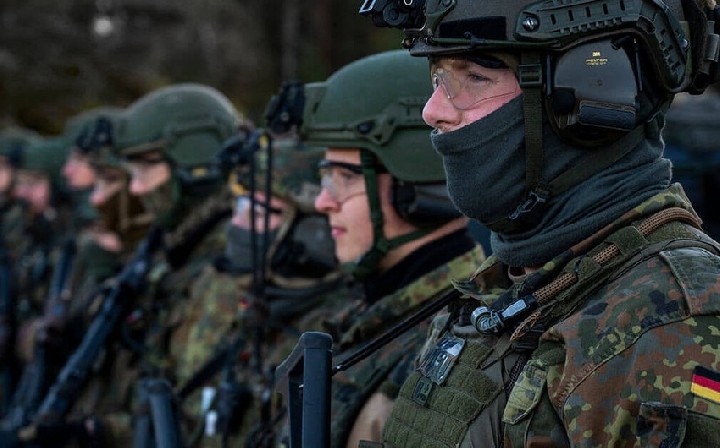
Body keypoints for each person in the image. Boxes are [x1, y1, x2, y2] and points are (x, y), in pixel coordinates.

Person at [358, 0, 720, 446]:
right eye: (438, 77)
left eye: (474, 77)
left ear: (592, 92)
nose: (433, 111)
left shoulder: (668, 323)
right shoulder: (515, 285)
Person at [306, 50, 485, 448]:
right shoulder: (370, 317)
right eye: (326, 177)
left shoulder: (454, 346)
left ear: (414, 190)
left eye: (344, 178)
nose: (323, 201)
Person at [175, 134, 346, 448]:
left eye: (256, 215)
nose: (237, 227)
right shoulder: (254, 310)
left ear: (312, 232)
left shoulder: (333, 333)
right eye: (239, 210)